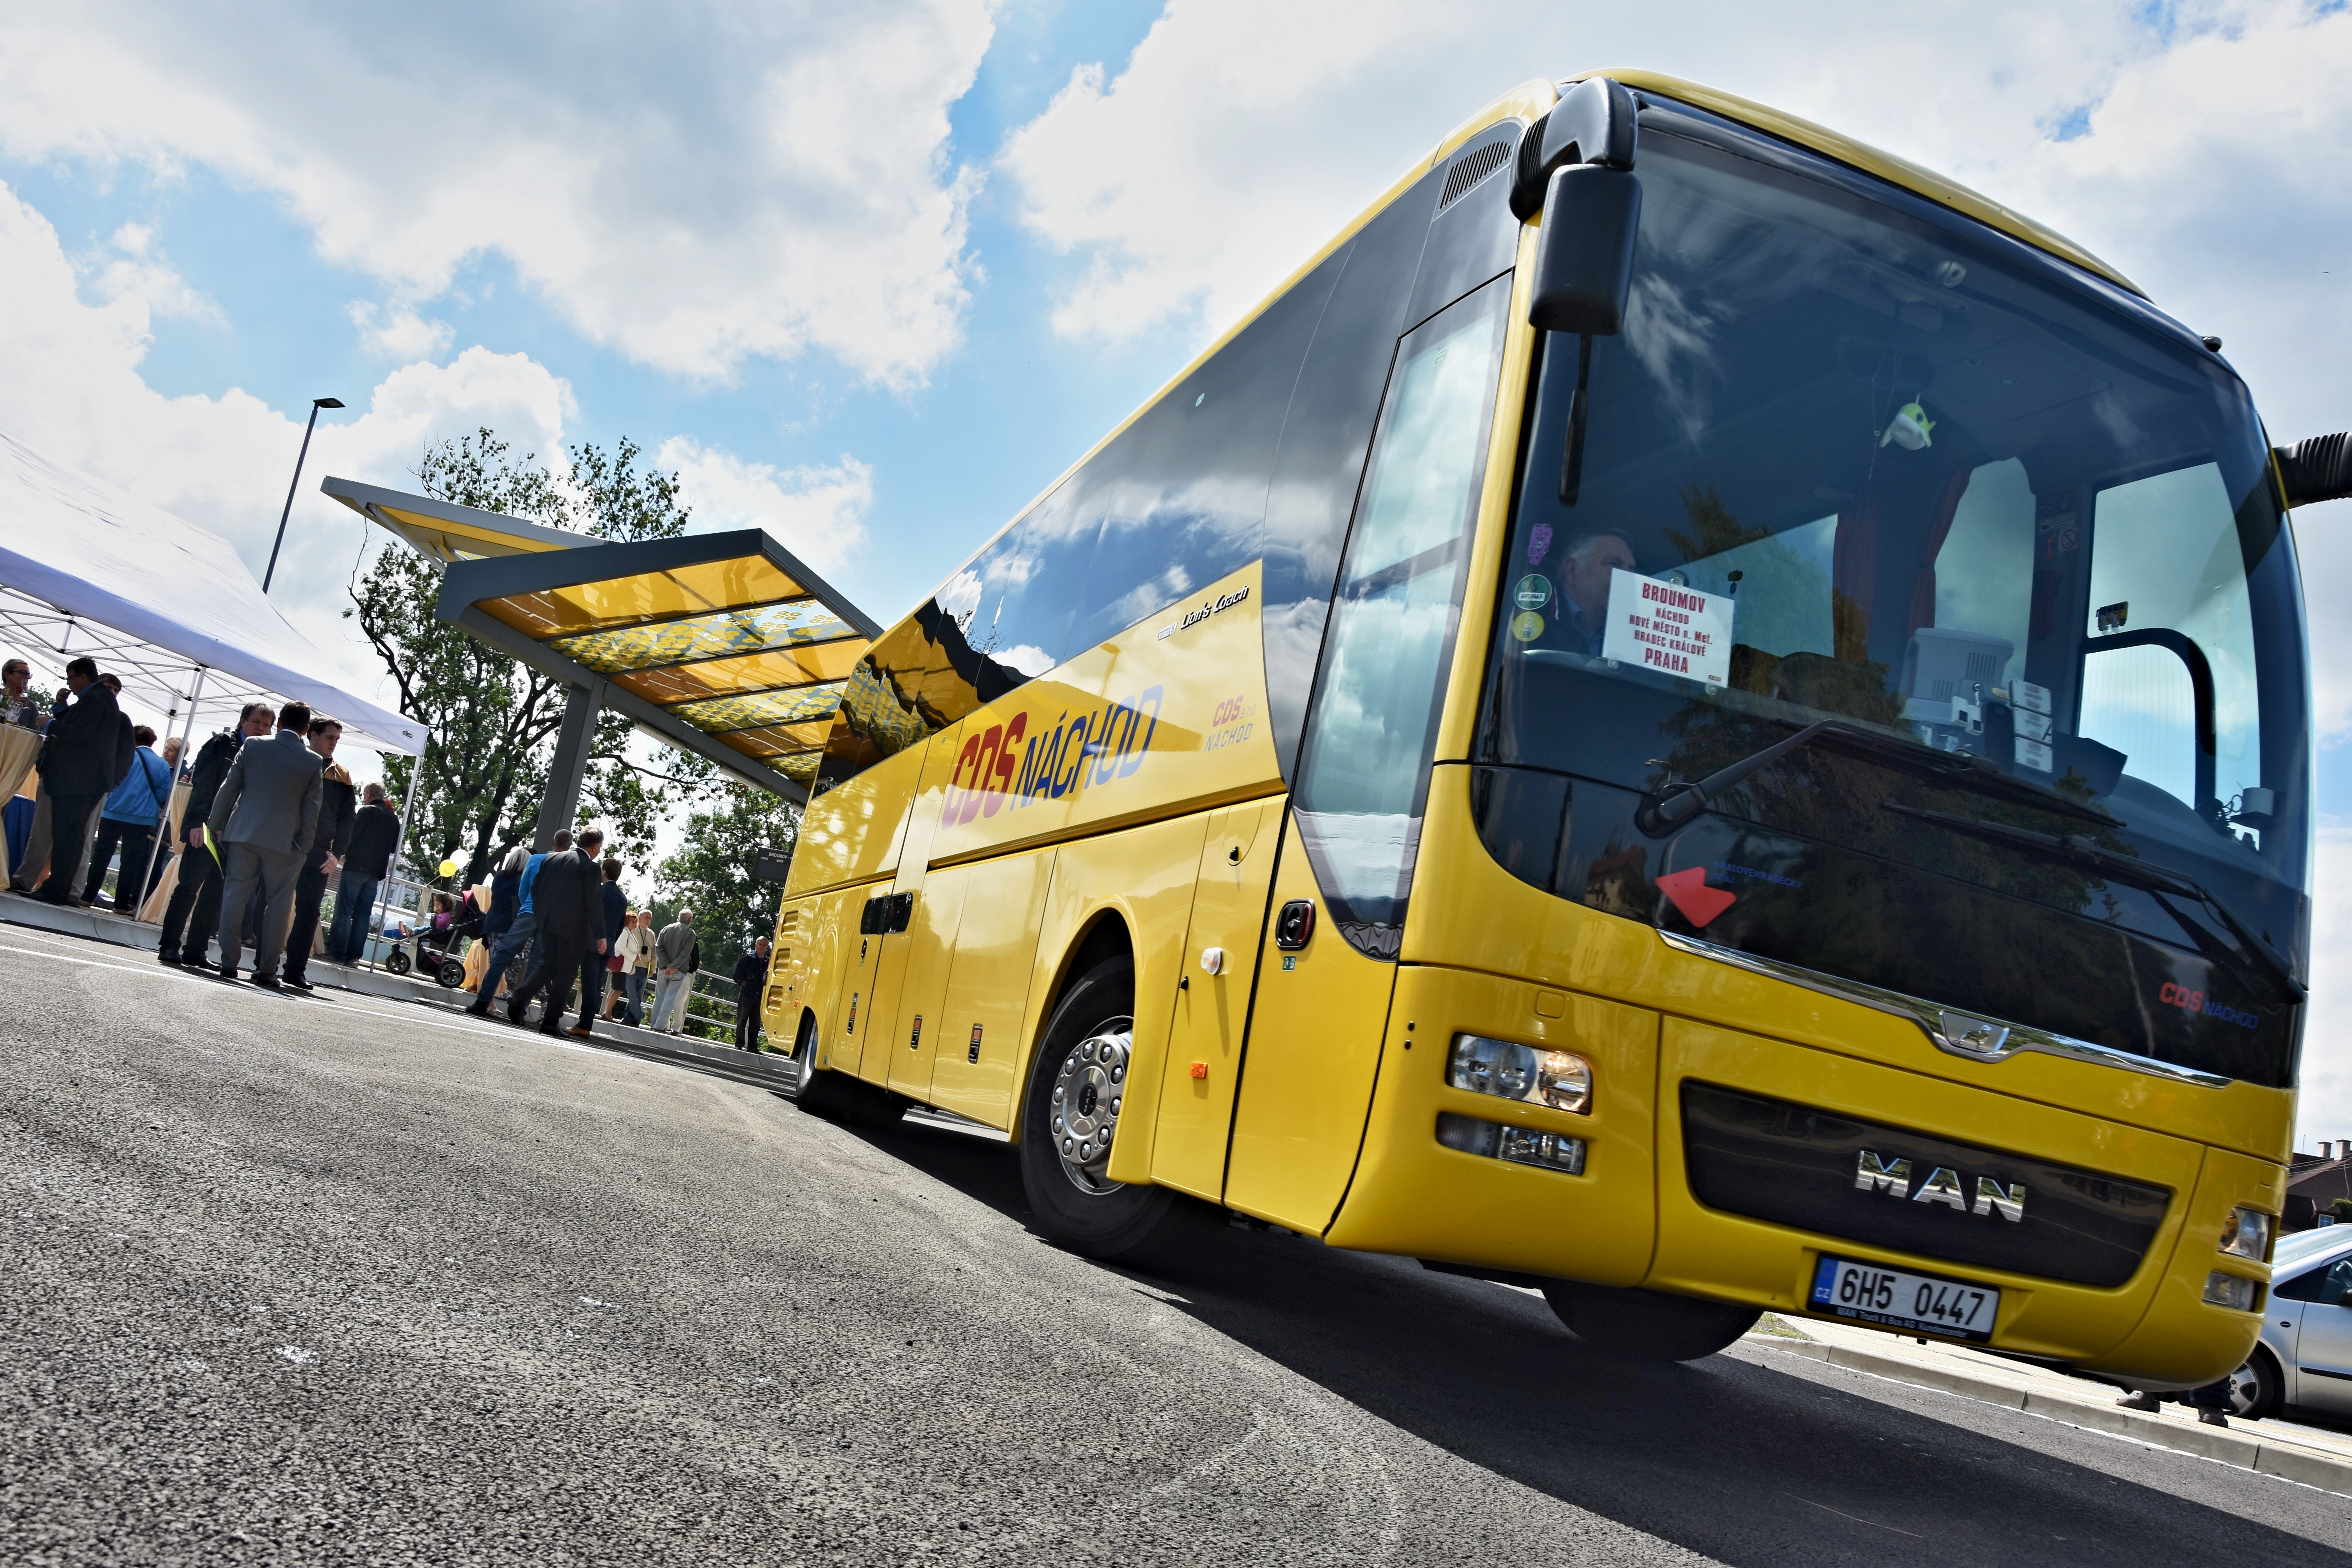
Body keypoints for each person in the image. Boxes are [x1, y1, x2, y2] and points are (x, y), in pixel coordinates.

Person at [205, 701, 325, 989]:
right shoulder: (313, 761)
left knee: (235, 895)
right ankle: (267, 970)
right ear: (307, 730)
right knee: (279, 905)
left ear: (279, 722)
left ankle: (229, 962)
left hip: (244, 832)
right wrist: (304, 845)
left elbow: (229, 787)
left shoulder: (254, 746)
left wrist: (216, 824)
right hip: (286, 843)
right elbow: (312, 809)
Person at [157, 702, 274, 967]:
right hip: (207, 828)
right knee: (188, 887)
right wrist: (198, 822)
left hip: (236, 836)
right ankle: (169, 945)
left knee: (216, 894)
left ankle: (196, 950)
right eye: (257, 722)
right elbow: (202, 785)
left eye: (267, 725)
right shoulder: (221, 744)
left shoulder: (265, 755)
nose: (261, 729)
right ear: (243, 721)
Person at [31, 657, 123, 907]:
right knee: (70, 835)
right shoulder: (100, 700)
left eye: (71, 678)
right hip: (84, 781)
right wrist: (62, 709)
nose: (70, 684)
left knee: (67, 835)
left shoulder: (94, 699)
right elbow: (82, 726)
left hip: (79, 781)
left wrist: (51, 724)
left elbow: (81, 733)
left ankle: (57, 888)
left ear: (83, 677)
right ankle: (59, 887)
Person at [505, 827, 608, 1038]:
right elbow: (594, 904)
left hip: (547, 923)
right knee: (566, 974)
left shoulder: (552, 859)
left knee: (548, 965)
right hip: (575, 930)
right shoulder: (591, 868)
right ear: (596, 847)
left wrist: (542, 914)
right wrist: (600, 935)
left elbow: (536, 888)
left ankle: (520, 997)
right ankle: (551, 1022)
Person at [279, 717, 355, 991]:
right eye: (329, 737)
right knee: (272, 904)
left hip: (320, 854)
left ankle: (295, 970)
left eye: (337, 739)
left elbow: (348, 819)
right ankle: (264, 964)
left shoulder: (342, 776)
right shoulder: (294, 762)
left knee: (310, 913)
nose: (334, 743)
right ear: (312, 735)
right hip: (285, 847)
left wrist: (337, 855)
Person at [466, 833, 558, 1016]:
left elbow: (522, 894)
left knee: (499, 961)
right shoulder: (536, 870)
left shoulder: (499, 876)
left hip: (494, 922)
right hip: (522, 920)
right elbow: (523, 894)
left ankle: (485, 1002)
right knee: (530, 964)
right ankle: (520, 1010)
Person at [83, 723, 171, 909]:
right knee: (131, 862)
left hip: (113, 812)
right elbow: (164, 795)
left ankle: (88, 897)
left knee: (101, 856)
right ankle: (122, 904)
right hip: (142, 818)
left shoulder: (121, 756)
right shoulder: (162, 764)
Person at [330, 782, 398, 964]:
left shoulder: (366, 811)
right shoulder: (393, 819)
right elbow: (393, 848)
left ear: (368, 794)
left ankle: (337, 952)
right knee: (362, 916)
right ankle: (354, 957)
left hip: (356, 867)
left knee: (344, 912)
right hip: (376, 872)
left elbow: (352, 837)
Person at [579, 856, 627, 1034]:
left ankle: (584, 1024)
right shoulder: (622, 898)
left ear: (604, 872)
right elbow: (621, 925)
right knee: (596, 983)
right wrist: (610, 940)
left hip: (592, 943)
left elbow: (589, 915)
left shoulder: (599, 892)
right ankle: (586, 1022)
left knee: (589, 984)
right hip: (608, 946)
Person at [652, 907, 697, 1035]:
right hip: (679, 971)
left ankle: (653, 1023)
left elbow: (658, 947)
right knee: (670, 999)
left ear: (679, 917)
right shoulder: (690, 933)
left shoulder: (666, 929)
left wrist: (667, 965)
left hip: (663, 969)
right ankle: (660, 1026)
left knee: (659, 997)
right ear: (689, 920)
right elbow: (686, 953)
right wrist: (673, 967)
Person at [607, 911, 651, 1024]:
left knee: (616, 989)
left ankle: (608, 1013)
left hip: (624, 967)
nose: (634, 924)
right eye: (632, 921)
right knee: (618, 990)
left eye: (635, 922)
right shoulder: (625, 932)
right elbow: (620, 947)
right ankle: (607, 1013)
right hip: (621, 966)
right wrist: (634, 957)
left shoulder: (629, 932)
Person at [732, 936, 771, 1052]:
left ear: (767, 947)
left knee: (756, 1023)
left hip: (760, 996)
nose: (762, 947)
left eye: (764, 945)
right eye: (760, 944)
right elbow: (737, 974)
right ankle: (739, 1043)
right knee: (742, 1020)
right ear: (756, 945)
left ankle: (753, 1046)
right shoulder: (748, 959)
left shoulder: (768, 963)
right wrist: (745, 983)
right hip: (747, 994)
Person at [3, 658, 46, 730]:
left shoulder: (31, 707)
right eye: (23, 673)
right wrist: (12, 708)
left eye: (29, 675)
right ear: (7, 676)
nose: (28, 677)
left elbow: (33, 735)